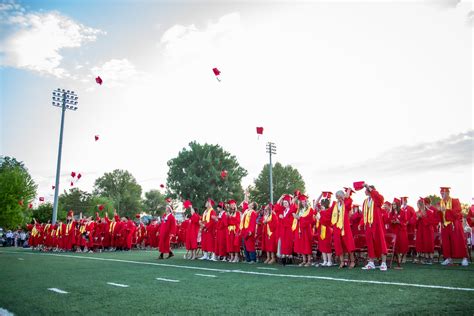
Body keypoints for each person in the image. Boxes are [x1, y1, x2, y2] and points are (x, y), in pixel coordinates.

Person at [359, 183, 388, 271]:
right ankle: (371, 262)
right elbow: (364, 214)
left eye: (366, 189)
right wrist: (361, 223)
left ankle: (383, 263)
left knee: (381, 242)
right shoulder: (365, 201)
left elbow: (379, 199)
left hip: (377, 224)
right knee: (370, 243)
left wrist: (369, 187)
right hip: (368, 225)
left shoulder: (377, 199)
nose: (365, 191)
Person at [437, 187, 468, 266]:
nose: (442, 195)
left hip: (454, 224)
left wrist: (446, 210)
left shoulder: (455, 201)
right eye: (441, 193)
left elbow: (458, 211)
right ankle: (448, 258)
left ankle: (464, 258)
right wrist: (438, 211)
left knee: (458, 241)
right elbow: (438, 215)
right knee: (446, 243)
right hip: (444, 225)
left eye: (443, 193)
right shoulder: (440, 203)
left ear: (448, 193)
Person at [331, 189, 356, 269]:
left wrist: (345, 197)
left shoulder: (346, 203)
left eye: (338, 196)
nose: (337, 198)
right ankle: (342, 262)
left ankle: (352, 261)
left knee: (349, 244)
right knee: (339, 244)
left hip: (345, 227)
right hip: (337, 227)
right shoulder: (335, 205)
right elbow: (330, 213)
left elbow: (349, 204)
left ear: (341, 196)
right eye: (336, 197)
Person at [293, 194, 315, 267]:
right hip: (300, 229)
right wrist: (296, 217)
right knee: (301, 244)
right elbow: (297, 217)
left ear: (306, 201)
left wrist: (300, 218)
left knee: (307, 244)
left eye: (304, 201)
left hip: (307, 229)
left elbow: (310, 220)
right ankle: (304, 260)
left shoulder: (310, 209)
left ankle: (309, 260)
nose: (303, 203)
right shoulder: (299, 210)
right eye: (302, 201)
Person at [415, 197, 438, 264]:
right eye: (417, 204)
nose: (418, 205)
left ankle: (430, 258)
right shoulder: (417, 212)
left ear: (422, 204)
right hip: (420, 230)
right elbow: (414, 223)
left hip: (428, 230)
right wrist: (417, 218)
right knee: (422, 243)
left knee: (428, 243)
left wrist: (423, 217)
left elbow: (431, 221)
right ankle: (425, 257)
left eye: (419, 204)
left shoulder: (430, 212)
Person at [275, 194, 296, 265]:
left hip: (289, 229)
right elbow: (277, 205)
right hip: (282, 229)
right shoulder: (282, 210)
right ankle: (284, 257)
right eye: (284, 203)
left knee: (288, 243)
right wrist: (281, 197)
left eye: (286, 203)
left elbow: (291, 221)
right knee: (283, 243)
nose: (285, 204)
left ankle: (289, 257)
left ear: (289, 203)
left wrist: (283, 218)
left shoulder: (291, 210)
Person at [315, 192, 334, 267]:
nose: (321, 206)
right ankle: (325, 260)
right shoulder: (320, 212)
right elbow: (316, 203)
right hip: (320, 230)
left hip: (327, 229)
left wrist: (320, 218)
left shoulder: (328, 211)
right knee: (322, 246)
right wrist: (321, 195)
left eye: (322, 204)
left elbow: (327, 221)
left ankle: (329, 261)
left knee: (327, 245)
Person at [390, 198, 408, 265]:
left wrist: (399, 222)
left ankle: (403, 257)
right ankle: (398, 257)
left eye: (394, 204)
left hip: (401, 230)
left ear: (397, 205)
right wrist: (392, 221)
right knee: (396, 245)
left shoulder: (403, 212)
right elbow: (390, 220)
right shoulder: (392, 212)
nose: (393, 205)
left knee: (402, 244)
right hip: (395, 231)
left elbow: (405, 222)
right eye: (392, 204)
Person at [400, 197, 417, 263]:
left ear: (406, 201)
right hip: (403, 228)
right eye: (401, 200)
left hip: (410, 228)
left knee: (410, 242)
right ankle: (403, 256)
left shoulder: (410, 208)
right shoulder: (400, 209)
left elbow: (414, 217)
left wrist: (409, 222)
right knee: (403, 242)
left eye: (403, 200)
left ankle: (413, 256)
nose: (402, 202)